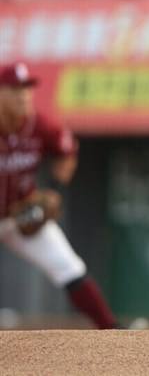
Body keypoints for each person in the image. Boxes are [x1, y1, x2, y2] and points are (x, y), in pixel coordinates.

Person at [0, 62, 118, 329]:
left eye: (27, 88)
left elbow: (66, 152)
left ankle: (111, 331)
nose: (23, 95)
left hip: (20, 214)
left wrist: (53, 190)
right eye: (14, 89)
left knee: (68, 267)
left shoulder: (39, 125)